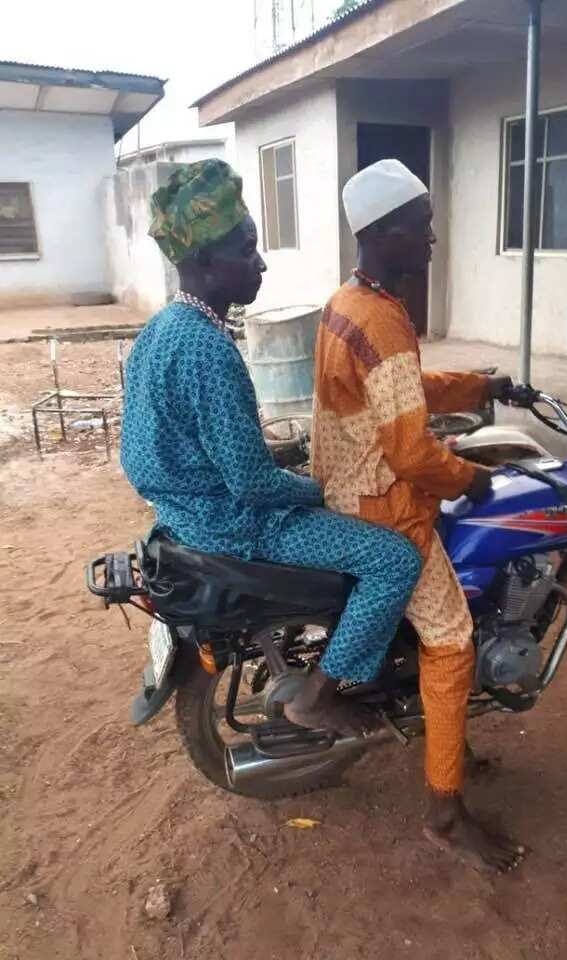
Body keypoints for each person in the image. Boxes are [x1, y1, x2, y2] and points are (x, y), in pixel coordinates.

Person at [120, 159, 422, 737]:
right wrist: (320, 488)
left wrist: (287, 456)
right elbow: (252, 487)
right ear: (207, 261)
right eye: (246, 248)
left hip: (184, 515)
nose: (259, 261)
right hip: (233, 525)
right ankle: (320, 696)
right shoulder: (209, 351)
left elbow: (169, 448)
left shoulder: (161, 330)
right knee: (393, 560)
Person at [311, 158, 523, 872]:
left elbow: (401, 392)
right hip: (381, 503)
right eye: (421, 227)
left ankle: (448, 731)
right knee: (452, 639)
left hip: (343, 484)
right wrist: (471, 478)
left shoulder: (349, 301)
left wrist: (479, 384)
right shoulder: (381, 319)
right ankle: (443, 811)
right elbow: (408, 449)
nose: (432, 239)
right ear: (385, 234)